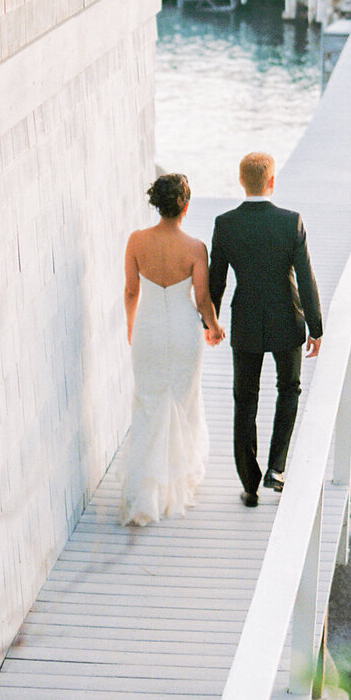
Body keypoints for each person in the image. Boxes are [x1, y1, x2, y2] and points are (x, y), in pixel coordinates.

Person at [209, 151, 323, 508]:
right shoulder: (291, 223)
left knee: (245, 400)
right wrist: (316, 328)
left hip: (244, 321)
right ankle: (277, 467)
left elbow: (217, 281)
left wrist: (210, 322)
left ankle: (250, 482)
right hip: (286, 320)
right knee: (289, 389)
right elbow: (305, 278)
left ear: (242, 181)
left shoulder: (225, 224)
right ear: (272, 182)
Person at [119, 172, 224, 527]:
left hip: (148, 328)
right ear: (186, 206)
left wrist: (131, 325)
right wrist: (213, 326)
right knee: (182, 402)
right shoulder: (195, 248)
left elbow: (131, 292)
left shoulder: (136, 240)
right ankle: (175, 487)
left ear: (156, 204)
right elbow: (202, 298)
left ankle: (146, 490)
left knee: (148, 402)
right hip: (183, 332)